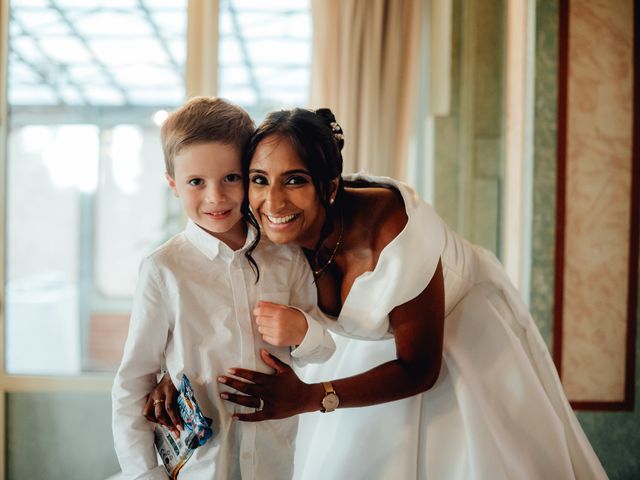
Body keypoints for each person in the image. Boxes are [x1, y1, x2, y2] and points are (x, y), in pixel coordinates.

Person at [149, 107, 608, 479]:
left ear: (329, 188)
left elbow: (419, 369)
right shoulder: (259, 215)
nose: (274, 201)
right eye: (259, 179)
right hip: (352, 353)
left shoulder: (395, 237)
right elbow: (216, 289)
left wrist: (309, 398)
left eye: (295, 180)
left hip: (455, 341)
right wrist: (180, 367)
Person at [111, 97, 335, 480]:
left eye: (231, 178)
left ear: (250, 175)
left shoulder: (286, 256)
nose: (216, 197)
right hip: (199, 466)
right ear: (173, 184)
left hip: (273, 460)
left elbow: (323, 350)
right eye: (196, 182)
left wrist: (303, 329)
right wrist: (144, 474)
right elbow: (133, 383)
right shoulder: (164, 269)